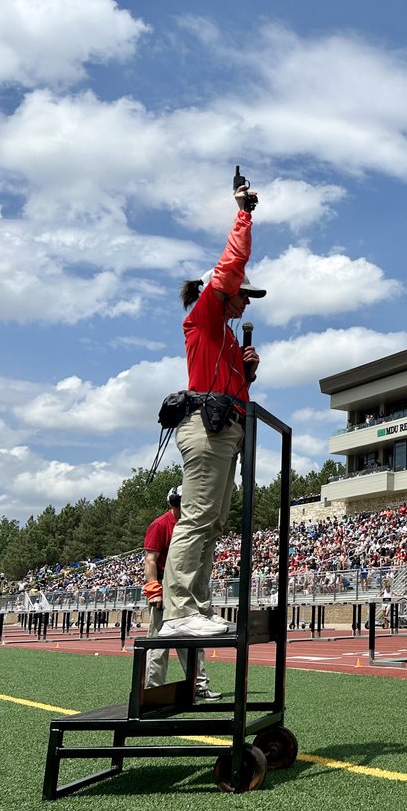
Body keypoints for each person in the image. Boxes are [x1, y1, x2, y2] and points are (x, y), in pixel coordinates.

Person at [160, 176, 265, 638]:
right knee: (199, 517)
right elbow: (230, 264)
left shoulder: (222, 336)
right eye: (243, 293)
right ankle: (180, 610)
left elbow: (231, 390)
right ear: (221, 292)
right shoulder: (203, 316)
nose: (246, 299)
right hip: (206, 425)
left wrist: (248, 374)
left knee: (213, 521)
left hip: (224, 425)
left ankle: (194, 608)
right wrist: (242, 212)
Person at [142, 486, 219, 698]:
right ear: (178, 503)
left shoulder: (192, 527)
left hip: (187, 586)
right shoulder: (160, 525)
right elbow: (150, 560)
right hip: (165, 586)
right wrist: (154, 590)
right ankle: (153, 688)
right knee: (159, 640)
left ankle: (198, 685)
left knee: (193, 637)